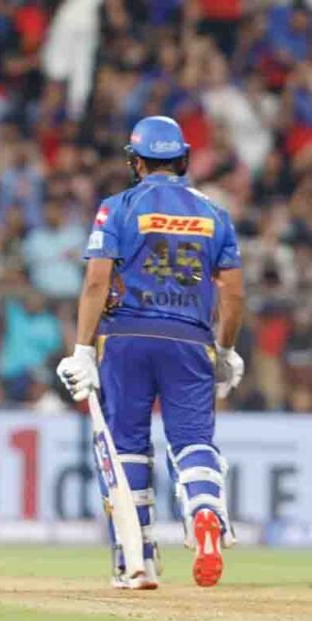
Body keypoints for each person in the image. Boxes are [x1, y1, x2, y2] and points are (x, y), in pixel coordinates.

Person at [56, 116, 245, 589]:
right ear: (182, 160)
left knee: (126, 447)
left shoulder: (117, 207)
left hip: (125, 339)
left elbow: (97, 281)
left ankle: (134, 557)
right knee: (194, 442)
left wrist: (82, 350)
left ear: (135, 162)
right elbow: (234, 292)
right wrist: (226, 349)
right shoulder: (214, 213)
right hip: (190, 340)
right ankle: (204, 513)